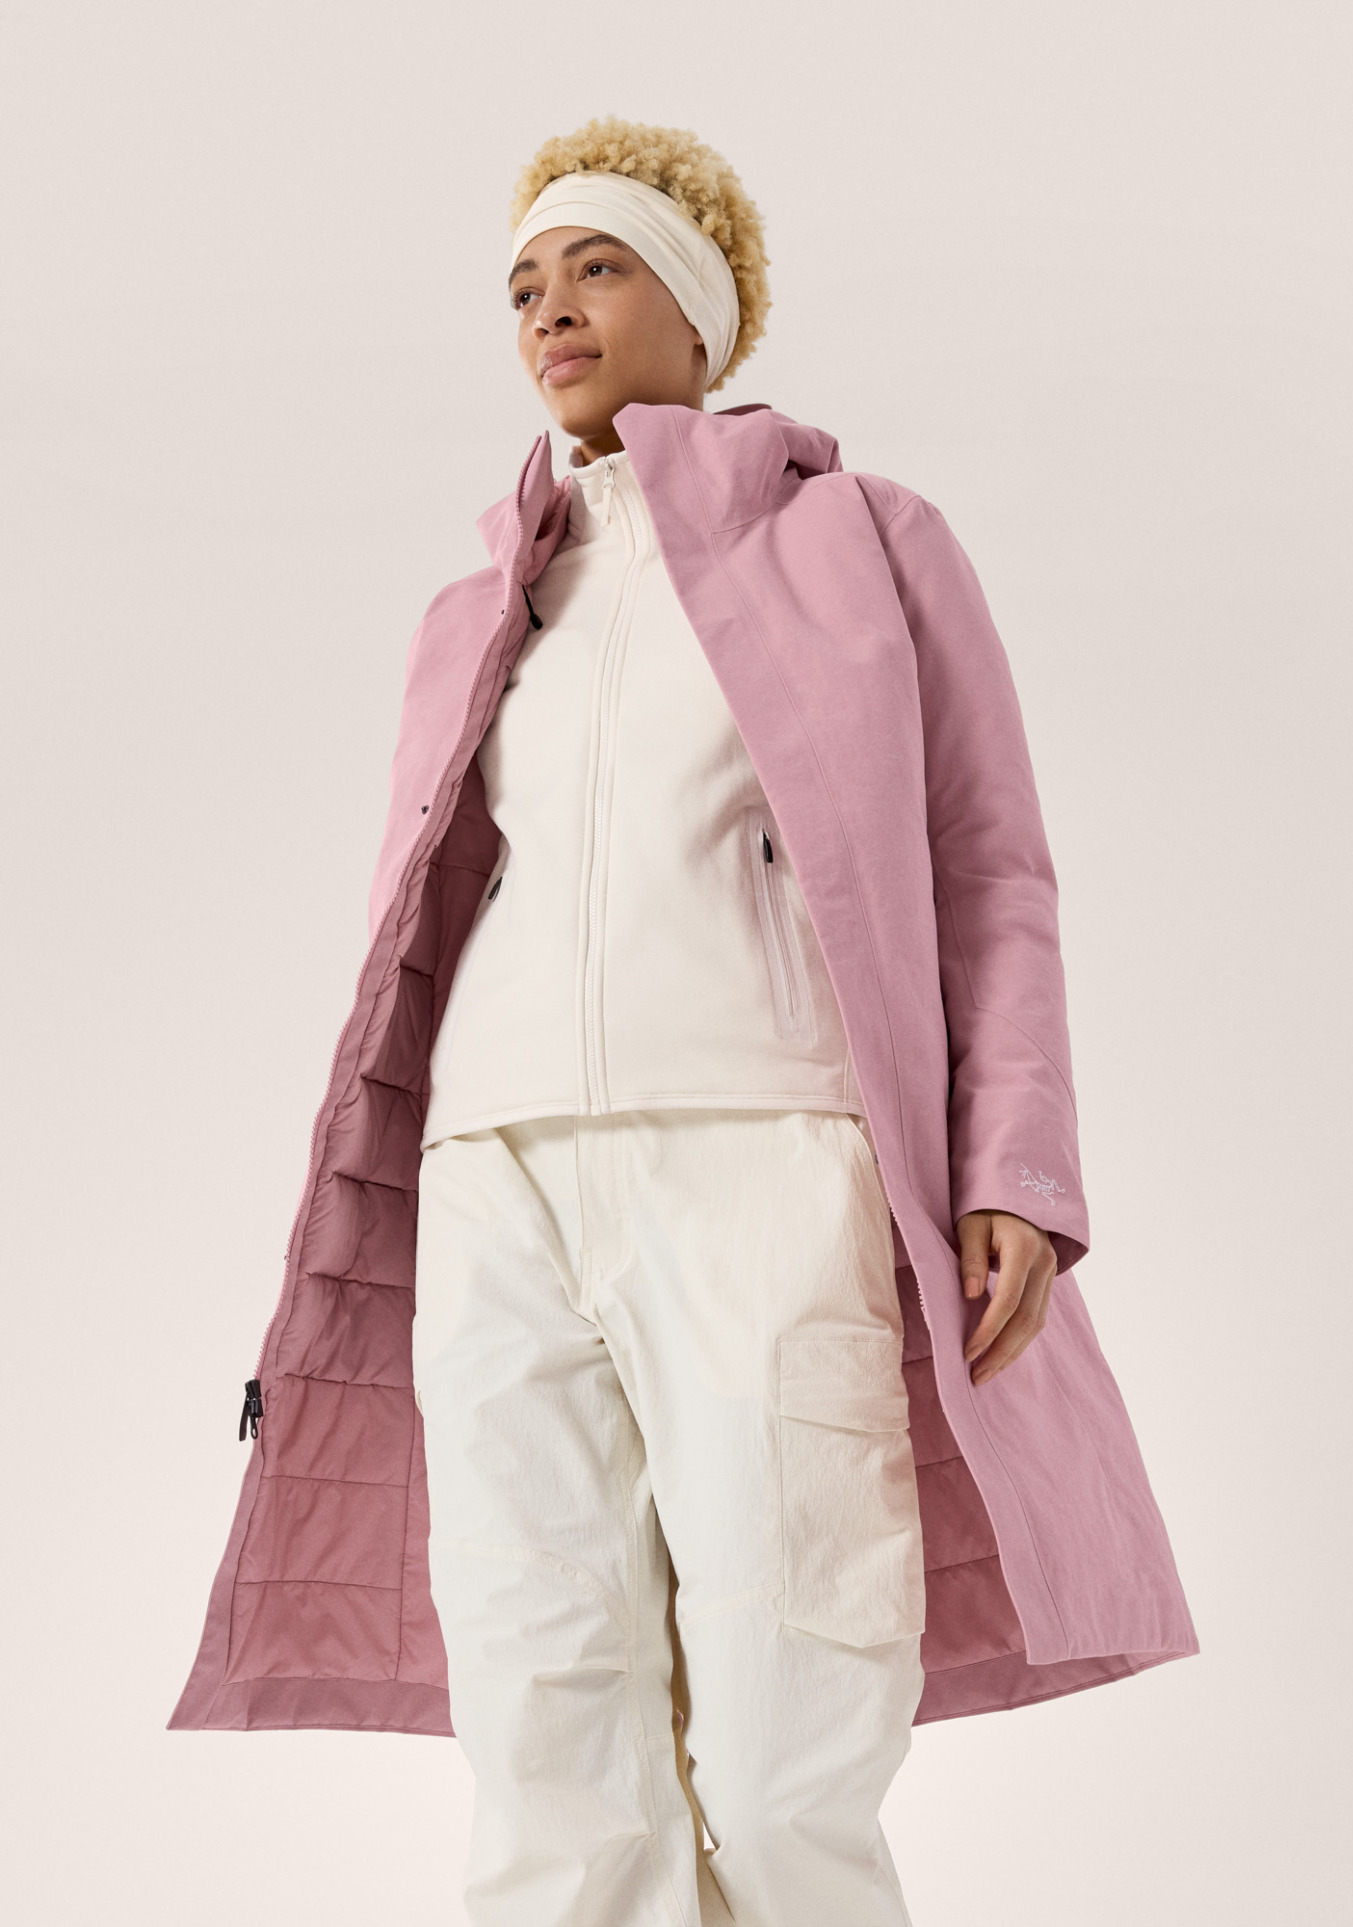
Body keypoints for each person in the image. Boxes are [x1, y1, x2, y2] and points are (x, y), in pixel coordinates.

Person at [170, 118, 1197, 1927]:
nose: (547, 309)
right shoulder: (484, 601)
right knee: (539, 1691)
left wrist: (1014, 1166)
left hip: (762, 1148)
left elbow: (985, 864)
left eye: (598, 266)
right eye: (520, 285)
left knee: (797, 1682)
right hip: (493, 1170)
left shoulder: (861, 538)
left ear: (705, 311)